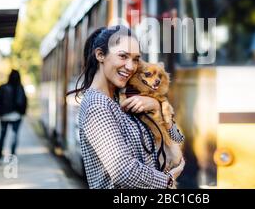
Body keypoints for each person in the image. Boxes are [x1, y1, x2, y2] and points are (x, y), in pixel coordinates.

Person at [70, 25, 185, 189]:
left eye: (136, 59)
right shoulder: (97, 105)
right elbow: (123, 171)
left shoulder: (120, 101)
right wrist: (167, 181)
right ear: (100, 55)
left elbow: (176, 139)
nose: (131, 67)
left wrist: (158, 107)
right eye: (123, 56)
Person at [0, 69, 27, 159]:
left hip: (4, 116)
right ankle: (12, 154)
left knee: (2, 134)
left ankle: (0, 153)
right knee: (14, 135)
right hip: (16, 116)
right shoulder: (20, 88)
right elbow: (24, 102)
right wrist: (22, 113)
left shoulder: (3, 87)